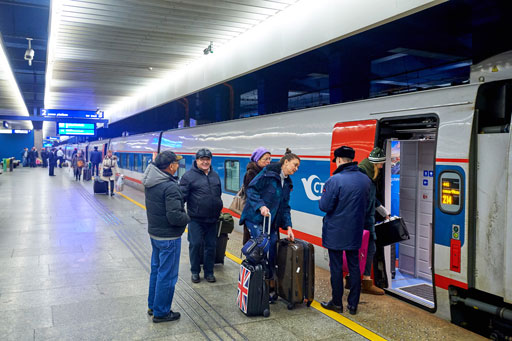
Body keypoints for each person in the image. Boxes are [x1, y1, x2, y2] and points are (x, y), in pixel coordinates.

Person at [239, 148, 299, 299]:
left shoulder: (287, 183)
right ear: (285, 162)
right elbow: (251, 189)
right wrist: (261, 206)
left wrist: (289, 228)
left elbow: (285, 207)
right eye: (295, 165)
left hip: (270, 222)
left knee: (272, 250)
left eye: (298, 166)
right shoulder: (268, 172)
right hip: (254, 217)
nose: (296, 169)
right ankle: (254, 282)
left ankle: (267, 285)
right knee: (262, 246)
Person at [319, 146, 371, 315]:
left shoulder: (334, 180)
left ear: (339, 160)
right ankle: (353, 305)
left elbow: (324, 206)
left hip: (335, 232)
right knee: (354, 267)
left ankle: (337, 303)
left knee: (336, 267)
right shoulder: (365, 180)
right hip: (355, 231)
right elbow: (368, 206)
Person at [143, 150, 189, 323]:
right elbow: (175, 216)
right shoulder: (169, 186)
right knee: (167, 275)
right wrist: (189, 217)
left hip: (155, 234)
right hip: (169, 237)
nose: (178, 166)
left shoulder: (152, 182)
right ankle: (161, 312)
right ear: (171, 166)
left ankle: (153, 306)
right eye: (176, 163)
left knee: (156, 271)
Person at [179, 148, 223, 284]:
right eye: (202, 159)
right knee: (195, 244)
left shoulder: (215, 175)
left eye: (207, 159)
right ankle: (195, 272)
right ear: (196, 160)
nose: (205, 162)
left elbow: (218, 194)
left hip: (212, 218)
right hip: (195, 219)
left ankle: (209, 272)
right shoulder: (188, 176)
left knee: (211, 246)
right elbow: (182, 197)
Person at [352, 147, 391, 295]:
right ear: (375, 163)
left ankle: (360, 280)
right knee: (363, 248)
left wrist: (382, 210)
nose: (381, 167)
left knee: (366, 248)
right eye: (380, 164)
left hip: (367, 217)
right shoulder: (363, 174)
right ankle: (362, 281)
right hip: (361, 218)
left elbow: (371, 197)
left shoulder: (367, 173)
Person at [241, 147, 272, 245]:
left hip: (263, 213)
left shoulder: (266, 172)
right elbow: (251, 193)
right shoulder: (251, 174)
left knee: (262, 245)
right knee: (254, 246)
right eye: (265, 159)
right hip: (253, 213)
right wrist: (261, 205)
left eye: (269, 159)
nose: (268, 162)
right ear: (257, 160)